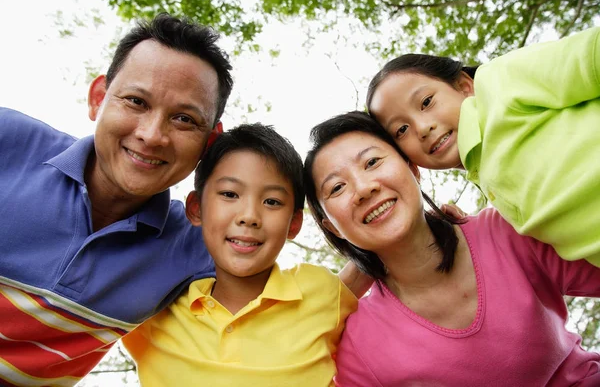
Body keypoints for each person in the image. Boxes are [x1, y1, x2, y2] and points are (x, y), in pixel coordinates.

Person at [0, 13, 233, 385]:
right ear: (98, 98)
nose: (153, 135)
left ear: (209, 143)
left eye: (184, 119)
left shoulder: (198, 246)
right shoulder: (7, 141)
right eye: (137, 101)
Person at [304, 111, 600, 386]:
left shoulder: (507, 232)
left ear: (412, 168)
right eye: (337, 188)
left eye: (372, 162)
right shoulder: (360, 345)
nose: (364, 188)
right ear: (332, 227)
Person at [123, 123, 359, 386]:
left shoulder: (323, 292)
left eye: (272, 201)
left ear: (294, 223)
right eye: (229, 194)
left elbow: (383, 258)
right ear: (196, 208)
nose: (249, 216)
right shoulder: (152, 308)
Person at [365, 27, 600, 267]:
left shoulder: (499, 84)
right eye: (401, 130)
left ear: (464, 86)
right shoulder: (485, 177)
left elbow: (592, 55)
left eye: (426, 102)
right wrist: (464, 232)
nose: (422, 128)